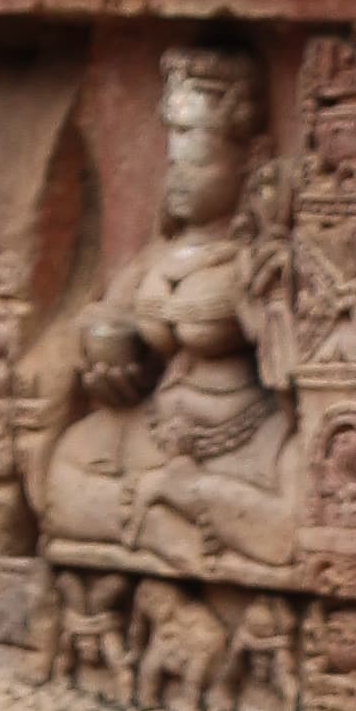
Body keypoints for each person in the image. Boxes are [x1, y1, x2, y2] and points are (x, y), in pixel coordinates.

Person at [42, 45, 300, 578]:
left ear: (249, 162)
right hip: (152, 432)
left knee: (297, 518)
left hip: (242, 438)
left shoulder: (256, 257)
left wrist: (266, 307)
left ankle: (181, 504)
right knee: (62, 469)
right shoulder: (159, 256)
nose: (179, 177)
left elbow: (289, 368)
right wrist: (103, 341)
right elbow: (105, 313)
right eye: (173, 162)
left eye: (198, 162)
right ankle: (161, 523)